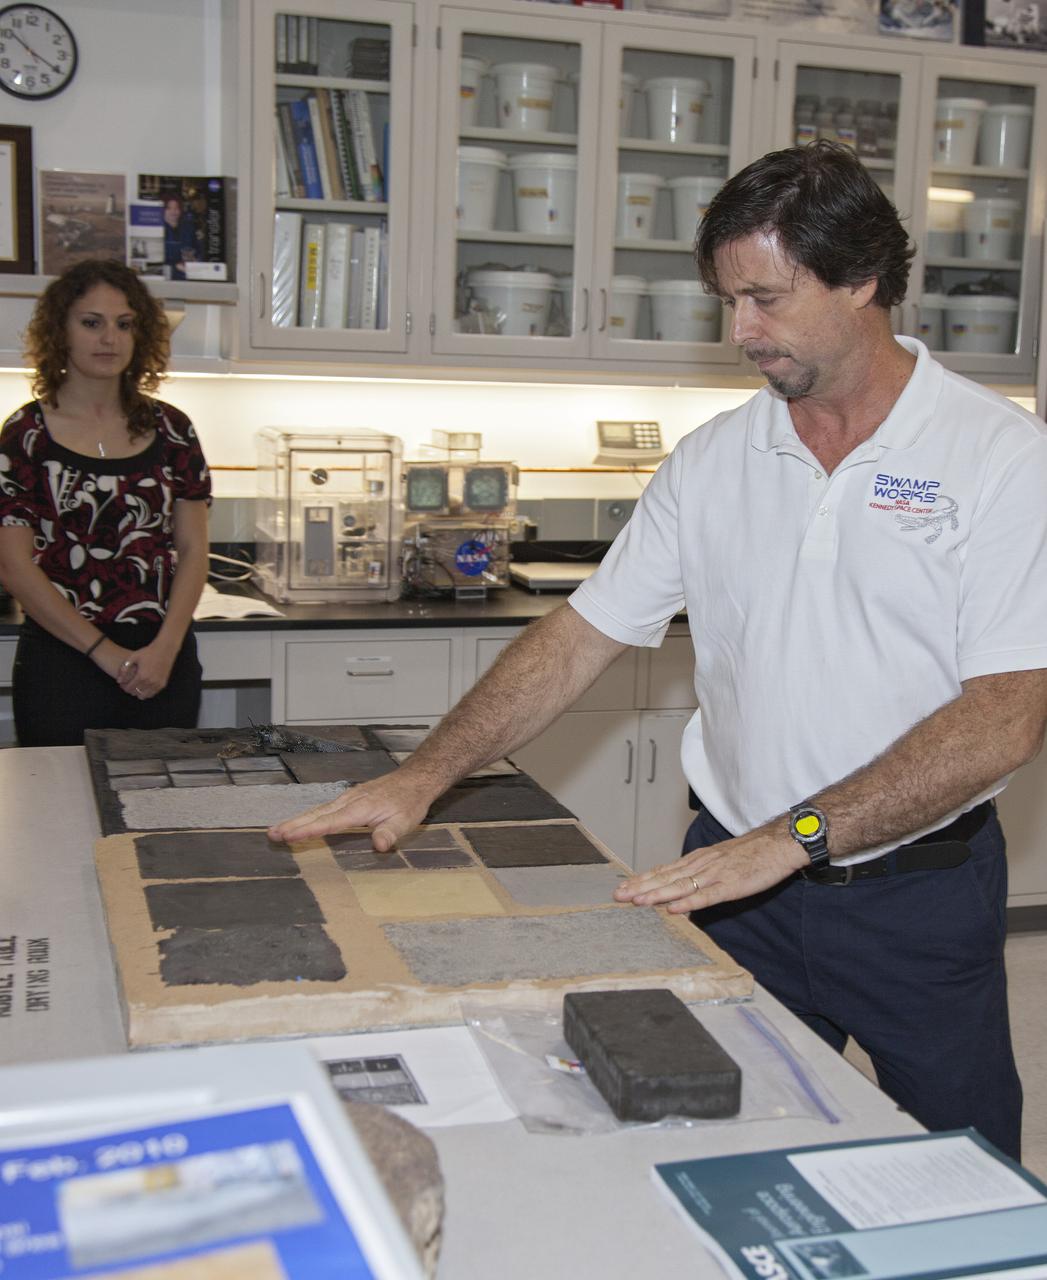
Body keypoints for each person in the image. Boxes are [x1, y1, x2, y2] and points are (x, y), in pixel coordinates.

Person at [271, 142, 1047, 1161]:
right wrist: (427, 772)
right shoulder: (719, 456)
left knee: (964, 1167)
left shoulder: (1000, 458)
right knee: (720, 1137)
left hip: (912, 896)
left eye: (765, 298)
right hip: (730, 883)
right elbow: (582, 632)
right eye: (728, 301)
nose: (740, 332)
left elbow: (1006, 715)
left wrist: (794, 834)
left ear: (861, 279)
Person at [0, 258, 212, 746]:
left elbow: (194, 551)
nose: (109, 338)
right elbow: (13, 566)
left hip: (162, 658)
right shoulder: (25, 434)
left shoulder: (174, 430)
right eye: (91, 323)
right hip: (62, 661)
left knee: (166, 810)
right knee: (60, 813)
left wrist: (167, 647)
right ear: (62, 330)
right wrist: (104, 652)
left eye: (124, 324)